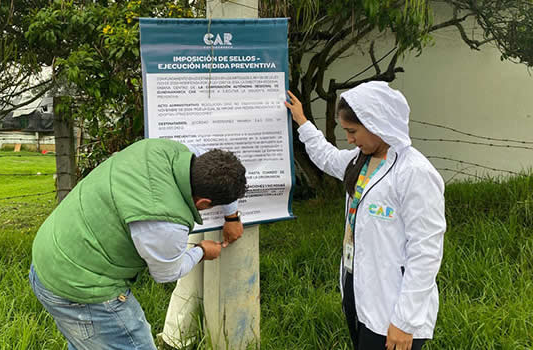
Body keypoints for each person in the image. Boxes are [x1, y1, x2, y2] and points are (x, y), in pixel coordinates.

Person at [29, 138, 247, 350]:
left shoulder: (162, 149)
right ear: (204, 203)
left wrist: (232, 217)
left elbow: (211, 161)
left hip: (50, 254)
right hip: (80, 289)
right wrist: (200, 250)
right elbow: (167, 273)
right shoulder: (167, 226)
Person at [285, 81, 446, 350]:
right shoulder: (360, 161)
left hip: (393, 304)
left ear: (377, 123)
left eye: (352, 131)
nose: (349, 139)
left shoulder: (414, 173)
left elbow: (426, 252)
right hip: (357, 287)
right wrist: (302, 121)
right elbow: (326, 157)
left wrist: (405, 321)